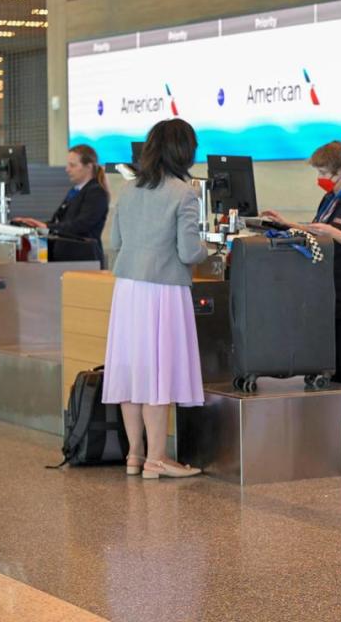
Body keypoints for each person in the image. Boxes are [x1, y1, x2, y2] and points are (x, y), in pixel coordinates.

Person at [102, 119, 207, 479]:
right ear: (184, 151)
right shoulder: (184, 192)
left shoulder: (128, 190)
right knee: (159, 372)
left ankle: (135, 455)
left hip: (128, 289)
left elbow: (114, 243)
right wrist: (210, 247)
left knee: (132, 371)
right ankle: (159, 459)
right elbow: (190, 252)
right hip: (163, 290)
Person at [262, 141, 341, 386]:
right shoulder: (331, 198)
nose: (320, 178)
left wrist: (335, 233)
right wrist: (287, 224)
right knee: (332, 360)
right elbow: (318, 230)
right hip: (328, 293)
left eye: (323, 173)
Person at [13, 144, 109, 263]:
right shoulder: (76, 191)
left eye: (72, 165)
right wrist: (37, 226)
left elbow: (81, 225)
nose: (67, 169)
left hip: (82, 259)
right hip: (65, 259)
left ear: (88, 167)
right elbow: (60, 221)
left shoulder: (95, 192)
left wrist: (48, 227)